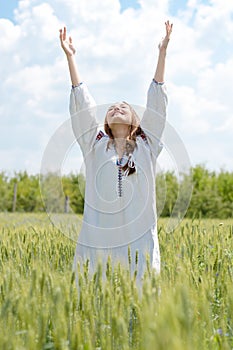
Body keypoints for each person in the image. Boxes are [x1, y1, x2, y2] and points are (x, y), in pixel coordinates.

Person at [59, 21, 173, 282]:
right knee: (95, 302)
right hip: (99, 241)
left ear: (135, 119)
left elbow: (157, 105)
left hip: (139, 243)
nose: (116, 108)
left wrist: (162, 53)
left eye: (123, 106)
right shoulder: (94, 145)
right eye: (111, 108)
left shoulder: (147, 144)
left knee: (142, 304)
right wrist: (71, 57)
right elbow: (82, 109)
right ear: (106, 122)